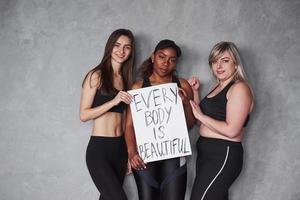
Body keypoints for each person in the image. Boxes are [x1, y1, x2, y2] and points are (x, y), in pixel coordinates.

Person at [125, 39, 195, 200]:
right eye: (162, 57)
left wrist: (186, 104)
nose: (166, 63)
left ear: (176, 63)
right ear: (152, 57)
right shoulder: (138, 87)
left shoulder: (182, 86)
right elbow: (129, 125)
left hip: (174, 156)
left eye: (172, 59)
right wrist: (132, 152)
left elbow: (189, 125)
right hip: (145, 157)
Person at [188, 41, 254, 200]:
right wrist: (195, 93)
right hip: (207, 155)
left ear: (235, 63)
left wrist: (201, 116)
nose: (218, 65)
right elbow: (201, 122)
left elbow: (232, 130)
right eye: (214, 61)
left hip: (224, 155)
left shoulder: (239, 88)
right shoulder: (217, 87)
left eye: (225, 60)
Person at [79, 29, 135, 200]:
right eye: (117, 45)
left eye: (126, 47)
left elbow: (125, 121)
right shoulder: (96, 75)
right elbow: (83, 115)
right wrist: (113, 101)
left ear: (131, 51)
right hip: (100, 150)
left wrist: (129, 152)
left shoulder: (126, 80)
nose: (121, 51)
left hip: (119, 150)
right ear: (110, 47)